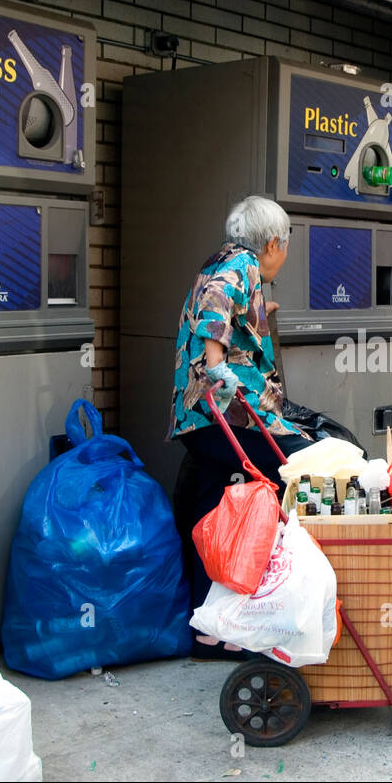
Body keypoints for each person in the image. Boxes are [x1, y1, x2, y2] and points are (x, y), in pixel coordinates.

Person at [167, 195, 311, 661]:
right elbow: (215, 307)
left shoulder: (220, 259)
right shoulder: (244, 266)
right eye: (285, 246)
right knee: (305, 464)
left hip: (197, 419)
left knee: (208, 508)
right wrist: (217, 366)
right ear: (273, 243)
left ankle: (208, 630)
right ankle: (288, 609)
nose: (282, 256)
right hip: (228, 413)